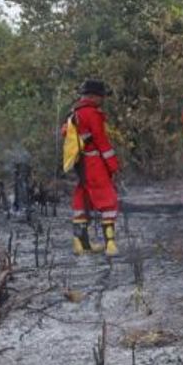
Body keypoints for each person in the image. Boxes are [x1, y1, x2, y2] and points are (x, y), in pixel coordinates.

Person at [67, 80, 121, 255]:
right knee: (108, 201)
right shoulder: (92, 113)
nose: (102, 99)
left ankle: (81, 244)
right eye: (100, 96)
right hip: (94, 164)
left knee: (82, 201)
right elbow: (101, 141)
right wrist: (113, 166)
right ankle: (110, 244)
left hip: (80, 164)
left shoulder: (73, 114)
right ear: (92, 96)